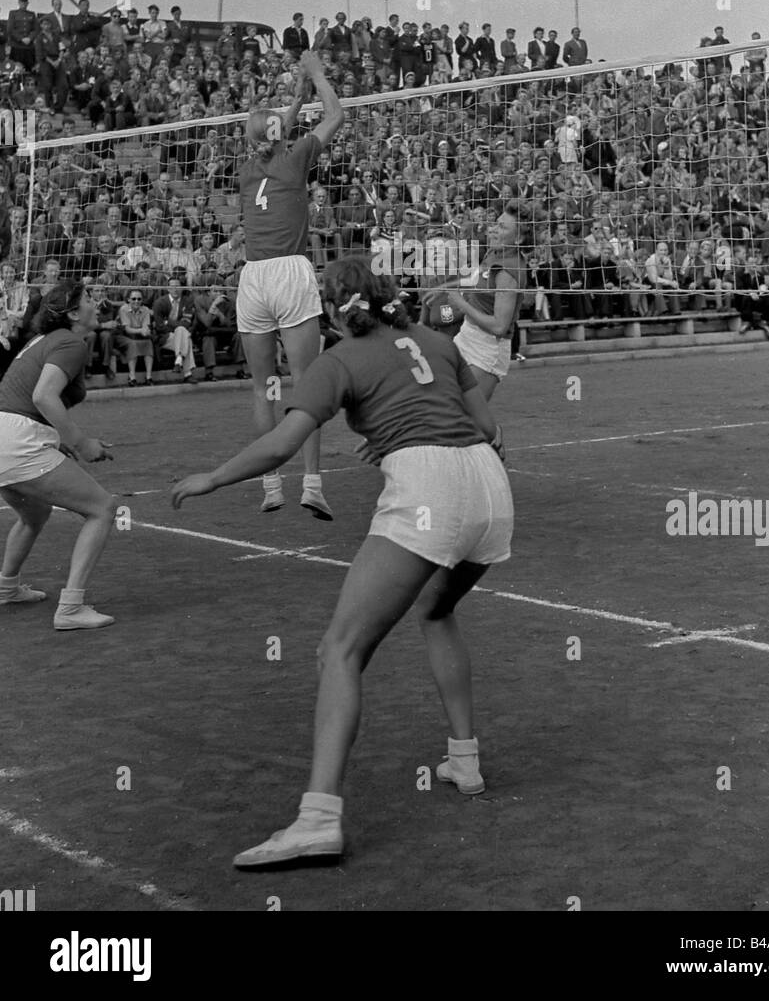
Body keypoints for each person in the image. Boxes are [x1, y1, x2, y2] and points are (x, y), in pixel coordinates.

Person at [172, 256, 512, 867]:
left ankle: (317, 819)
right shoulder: (436, 340)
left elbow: (282, 442)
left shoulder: (335, 361)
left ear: (331, 310)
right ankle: (465, 762)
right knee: (435, 610)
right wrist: (394, 429)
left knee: (340, 649)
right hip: (489, 488)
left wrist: (213, 478)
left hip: (430, 484)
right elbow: (486, 425)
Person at [237, 50, 343, 517]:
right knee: (307, 383)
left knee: (265, 387)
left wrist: (295, 100)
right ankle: (313, 484)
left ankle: (271, 484)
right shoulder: (297, 156)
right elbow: (338, 115)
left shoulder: (247, 172)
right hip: (290, 272)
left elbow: (273, 132)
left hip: (253, 278)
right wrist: (317, 76)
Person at [0, 282, 117, 629]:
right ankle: (70, 609)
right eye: (89, 299)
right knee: (103, 508)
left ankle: (6, 588)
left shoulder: (43, 341)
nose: (96, 303)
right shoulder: (70, 342)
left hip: (7, 434)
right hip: (18, 439)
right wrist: (80, 443)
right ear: (72, 313)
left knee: (34, 512)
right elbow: (43, 397)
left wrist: (55, 438)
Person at [421, 203, 527, 402]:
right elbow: (474, 279)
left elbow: (499, 326)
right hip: (468, 335)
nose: (493, 230)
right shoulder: (495, 252)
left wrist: (460, 303)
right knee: (439, 400)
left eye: (503, 228)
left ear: (519, 238)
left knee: (468, 416)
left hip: (488, 348)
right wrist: (445, 288)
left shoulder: (508, 272)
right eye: (496, 224)